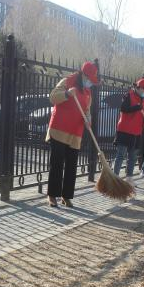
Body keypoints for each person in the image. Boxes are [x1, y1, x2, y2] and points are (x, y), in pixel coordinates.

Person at [45, 61, 100, 208]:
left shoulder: (88, 92)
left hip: (75, 132)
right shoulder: (67, 82)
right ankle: (52, 195)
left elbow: (87, 109)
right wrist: (67, 93)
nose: (90, 83)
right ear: (83, 75)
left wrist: (88, 119)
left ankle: (67, 196)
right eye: (89, 80)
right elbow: (53, 97)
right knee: (57, 164)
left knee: (71, 165)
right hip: (60, 129)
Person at [113, 78, 144, 177]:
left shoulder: (143, 100)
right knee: (121, 155)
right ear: (139, 88)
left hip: (136, 132)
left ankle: (129, 178)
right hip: (125, 130)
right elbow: (123, 108)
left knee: (133, 157)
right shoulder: (128, 96)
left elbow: (142, 115)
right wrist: (135, 108)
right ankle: (115, 177)